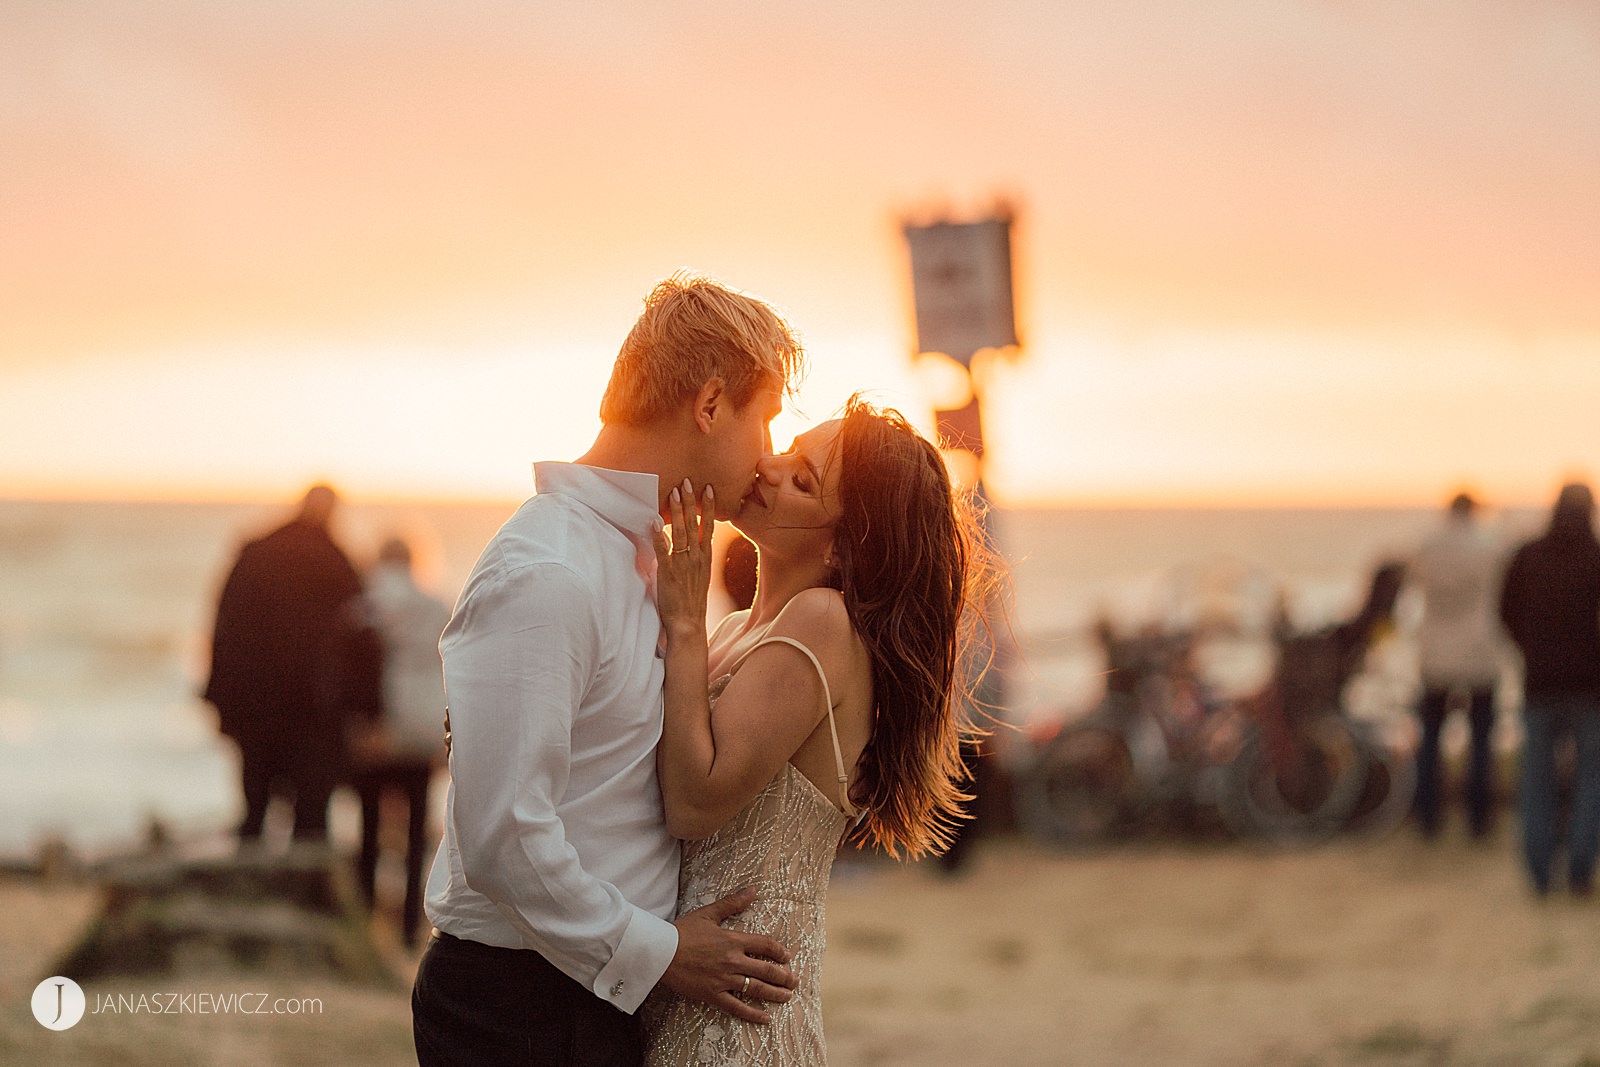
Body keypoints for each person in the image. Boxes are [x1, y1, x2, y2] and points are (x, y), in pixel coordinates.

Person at [411, 273, 807, 1066]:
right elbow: (501, 836)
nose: (767, 460)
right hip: (519, 1009)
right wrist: (658, 951)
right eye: (764, 425)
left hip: (588, 998)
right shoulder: (547, 570)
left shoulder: (648, 560)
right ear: (709, 405)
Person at [644, 396, 990, 1065]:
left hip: (734, 1024)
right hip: (686, 987)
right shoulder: (735, 629)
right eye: (787, 451)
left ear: (844, 542)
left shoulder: (822, 623)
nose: (768, 469)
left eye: (802, 479)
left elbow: (692, 802)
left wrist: (681, 618)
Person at [203, 483, 366, 845]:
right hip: (312, 704)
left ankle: (248, 883)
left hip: (255, 697)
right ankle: (307, 893)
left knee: (255, 803)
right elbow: (357, 637)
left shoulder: (256, 552)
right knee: (311, 813)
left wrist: (218, 691)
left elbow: (224, 625)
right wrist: (362, 705)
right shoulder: (336, 560)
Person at [346, 536, 452, 948]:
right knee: (414, 832)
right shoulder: (436, 605)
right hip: (420, 729)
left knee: (369, 827)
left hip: (376, 728)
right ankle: (411, 928)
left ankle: (365, 922)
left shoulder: (363, 606)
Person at [1498, 481, 1600, 897]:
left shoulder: (1528, 555)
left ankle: (1540, 873)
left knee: (1536, 780)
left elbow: (1505, 612)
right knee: (1591, 779)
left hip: (1539, 683)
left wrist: (1531, 648)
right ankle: (1579, 868)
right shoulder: (1596, 557)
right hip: (1590, 686)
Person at [1406, 492, 1507, 840]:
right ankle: (1478, 818)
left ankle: (1428, 816)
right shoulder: (1489, 547)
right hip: (1479, 652)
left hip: (1436, 653)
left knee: (1431, 739)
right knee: (1480, 741)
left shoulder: (1427, 546)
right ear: (1474, 510)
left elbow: (1416, 586)